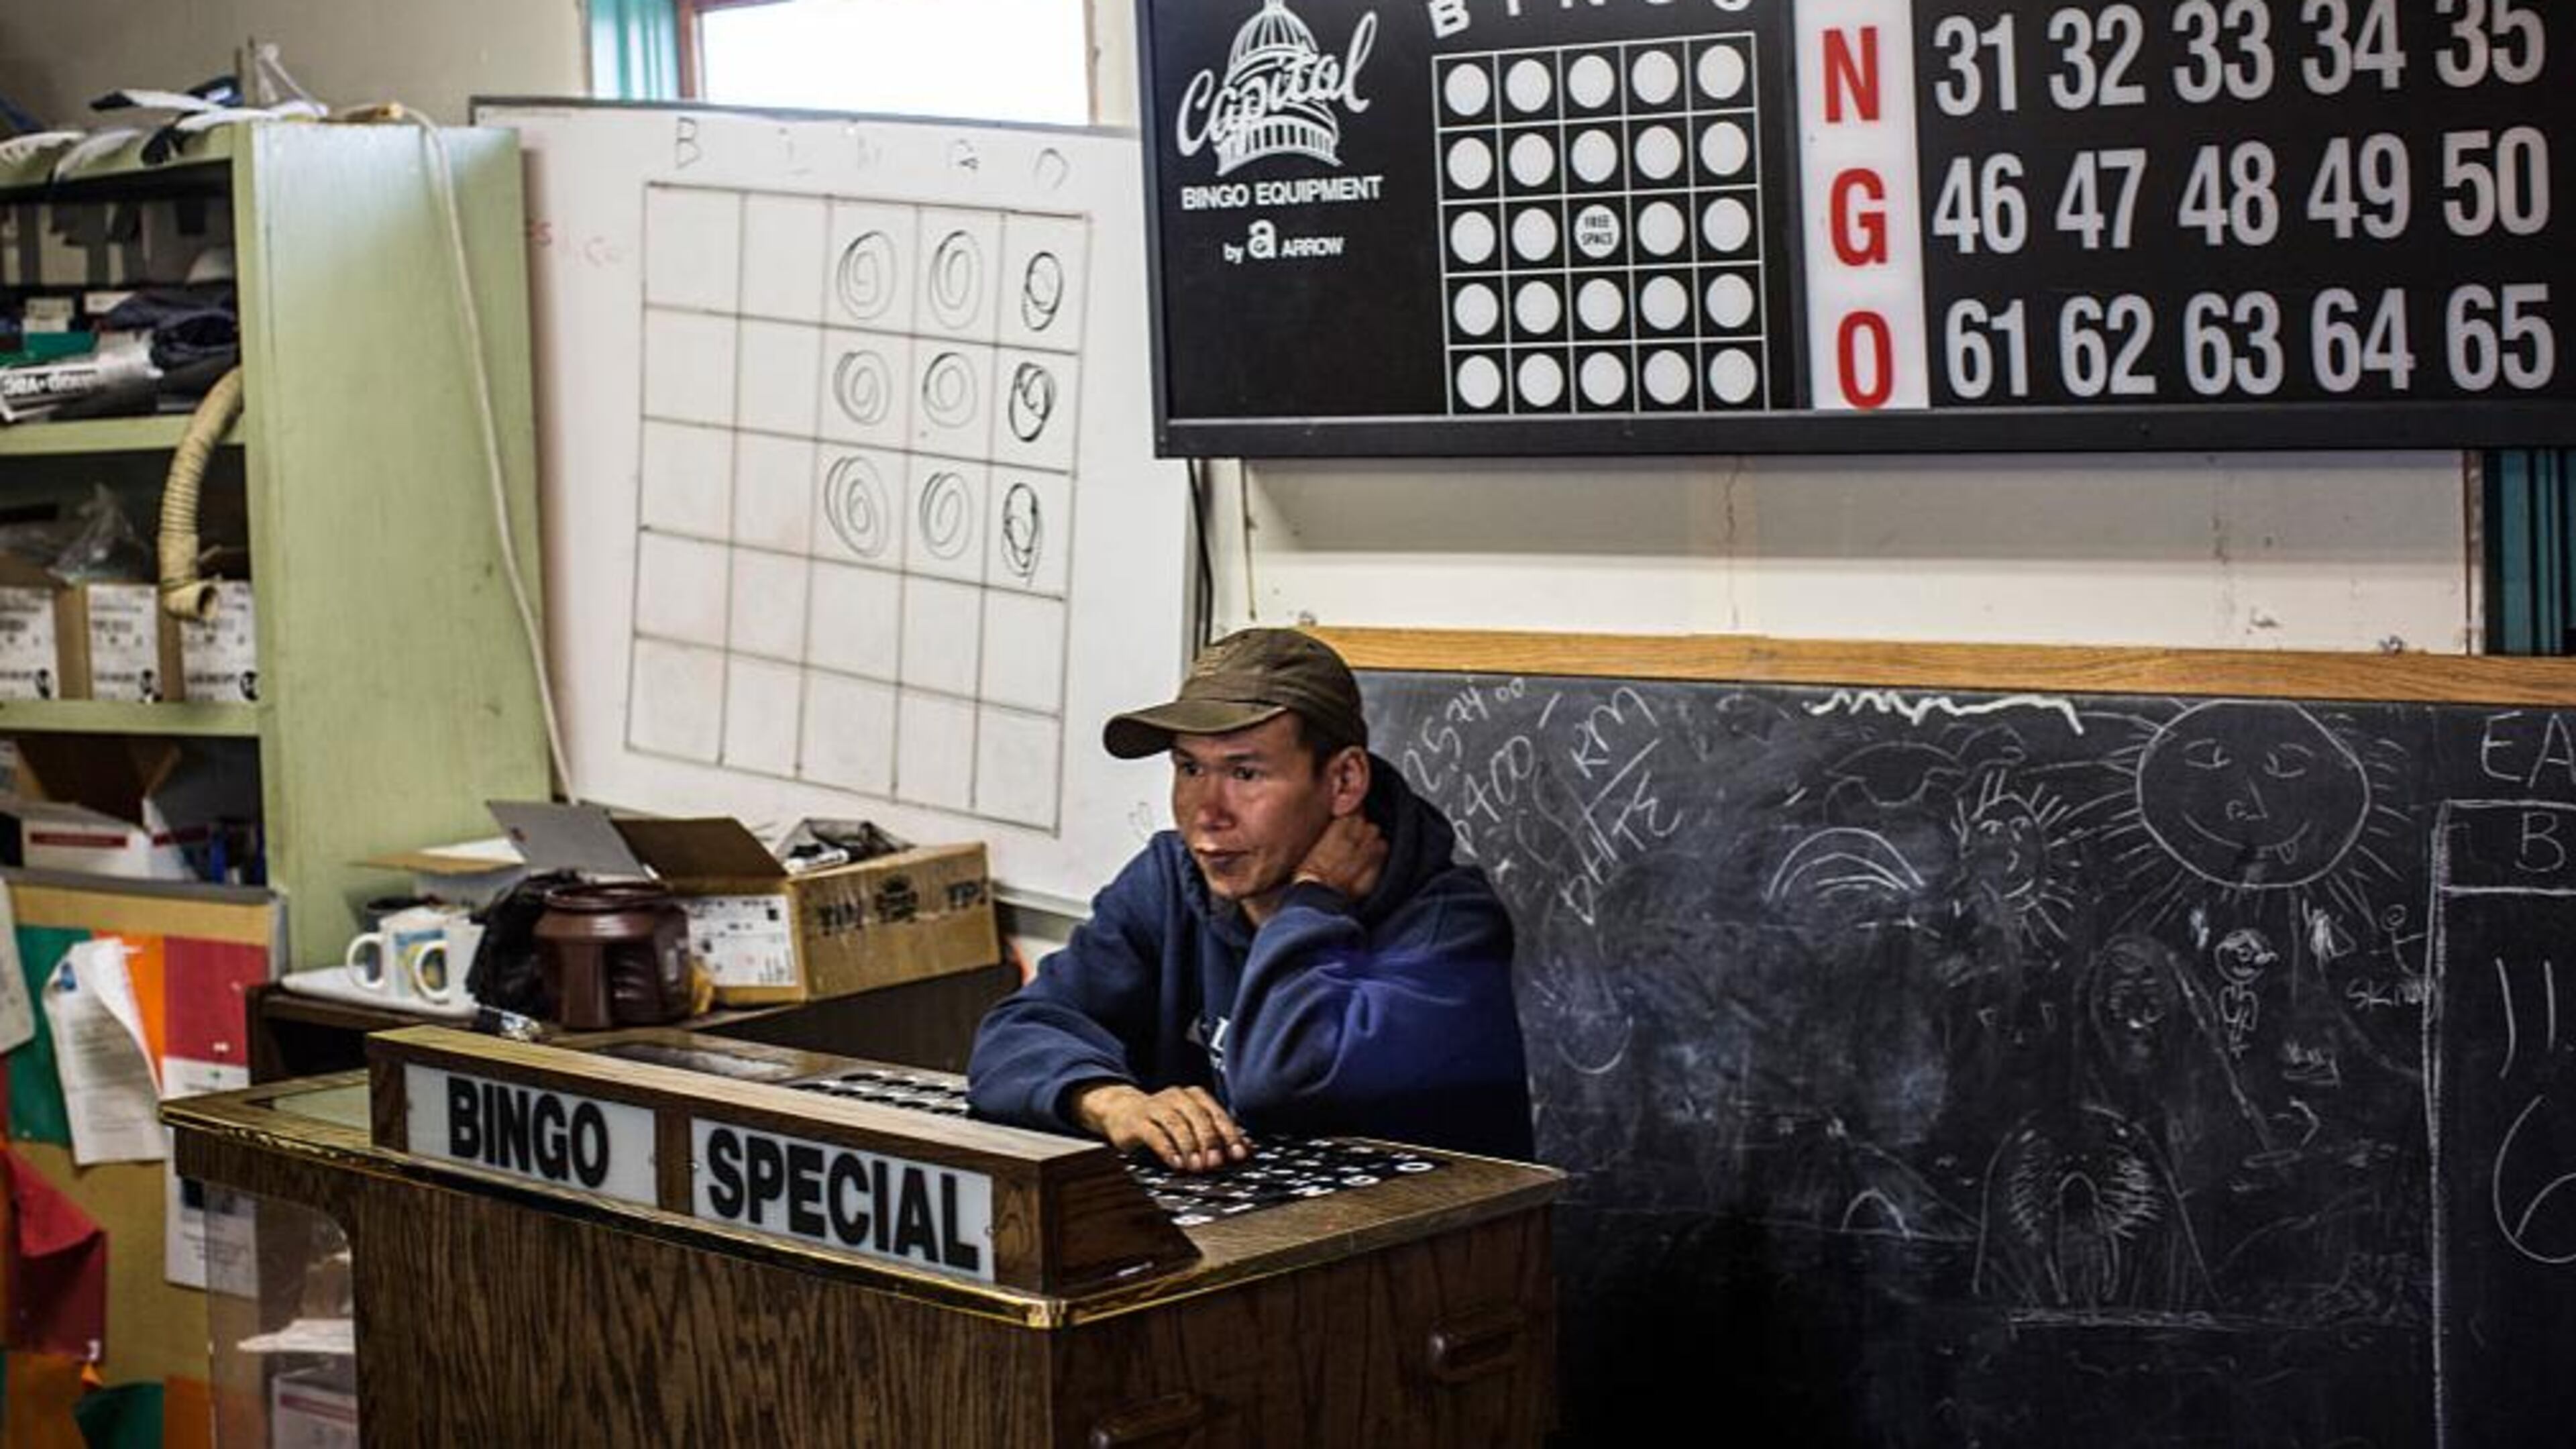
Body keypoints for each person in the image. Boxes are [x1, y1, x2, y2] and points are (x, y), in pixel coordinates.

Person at [967, 629, 1534, 1169]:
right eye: (1190, 768)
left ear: (1344, 782)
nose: (1207, 812)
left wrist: (1312, 903)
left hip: (1413, 1262)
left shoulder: (1449, 929)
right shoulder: (1172, 878)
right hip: (1244, 1250)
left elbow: (1280, 1082)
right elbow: (1013, 1034)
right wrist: (1111, 1102)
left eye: (1245, 773)